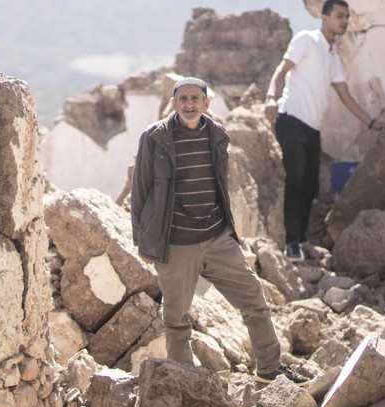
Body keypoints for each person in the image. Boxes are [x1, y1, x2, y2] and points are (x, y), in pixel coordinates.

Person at [130, 77, 308, 384]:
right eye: (182, 98)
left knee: (254, 299)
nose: (188, 104)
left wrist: (227, 232)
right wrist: (143, 243)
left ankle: (269, 369)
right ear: (173, 104)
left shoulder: (217, 135)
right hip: (175, 246)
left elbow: (219, 186)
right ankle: (186, 385)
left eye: (194, 98)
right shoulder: (154, 138)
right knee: (176, 321)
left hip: (217, 240)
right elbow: (140, 192)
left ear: (205, 103)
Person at [264, 0, 385, 261]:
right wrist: (270, 97)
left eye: (346, 17)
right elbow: (282, 69)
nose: (344, 21)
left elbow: (344, 95)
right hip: (291, 119)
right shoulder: (306, 40)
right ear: (324, 17)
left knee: (311, 186)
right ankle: (291, 243)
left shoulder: (333, 55)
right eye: (339, 16)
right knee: (296, 178)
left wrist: (370, 123)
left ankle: (301, 239)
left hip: (313, 127)